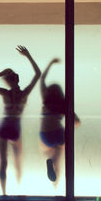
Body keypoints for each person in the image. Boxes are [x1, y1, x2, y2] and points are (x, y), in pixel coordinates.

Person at [0, 45, 41, 195]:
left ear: (8, 82)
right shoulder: (24, 93)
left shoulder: (5, 93)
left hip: (5, 126)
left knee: (3, 162)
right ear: (17, 79)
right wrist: (28, 56)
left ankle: (4, 194)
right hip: (15, 127)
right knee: (17, 162)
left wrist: (0, 73)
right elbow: (38, 74)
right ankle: (19, 190)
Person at [39, 58, 80, 186]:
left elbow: (42, 79)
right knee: (59, 156)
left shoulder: (45, 100)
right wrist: (68, 130)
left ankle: (51, 162)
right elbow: (77, 122)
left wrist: (50, 63)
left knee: (48, 151)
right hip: (59, 133)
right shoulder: (63, 105)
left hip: (45, 134)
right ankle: (56, 188)